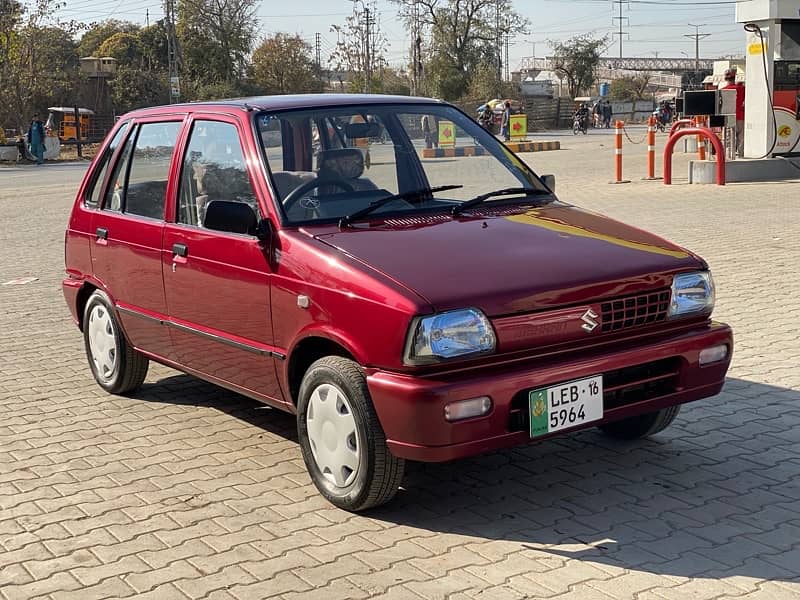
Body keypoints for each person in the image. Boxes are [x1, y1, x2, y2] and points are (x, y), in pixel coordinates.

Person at [722, 68, 745, 157]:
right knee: (741, 139)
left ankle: (729, 156)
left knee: (729, 139)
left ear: (725, 79)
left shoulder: (723, 90)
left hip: (728, 117)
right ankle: (741, 155)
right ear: (735, 77)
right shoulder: (742, 89)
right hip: (740, 117)